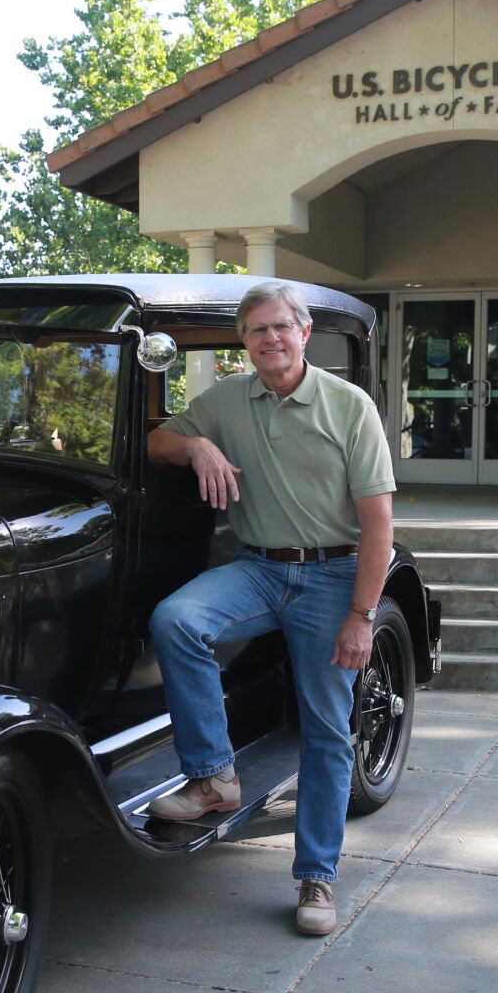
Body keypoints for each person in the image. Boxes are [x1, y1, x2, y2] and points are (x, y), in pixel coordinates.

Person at [146, 280, 396, 936]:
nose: (270, 340)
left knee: (326, 728)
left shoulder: (349, 407)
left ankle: (317, 876)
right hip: (258, 568)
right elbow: (156, 443)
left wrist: (362, 616)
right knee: (177, 619)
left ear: (304, 333)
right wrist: (196, 444)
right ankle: (213, 777)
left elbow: (379, 526)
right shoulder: (228, 399)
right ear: (245, 341)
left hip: (334, 575)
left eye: (281, 327)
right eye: (257, 331)